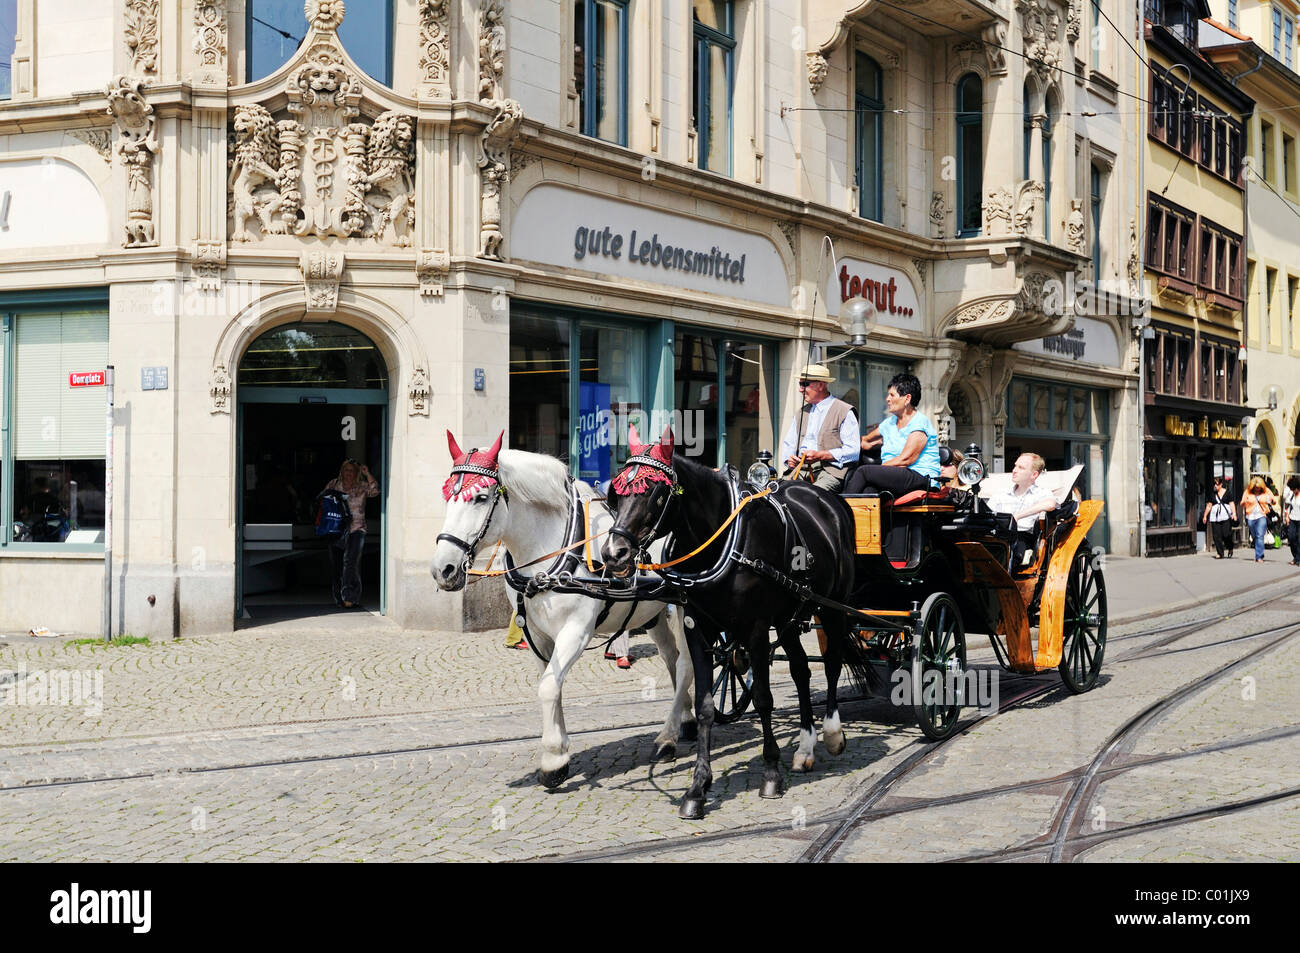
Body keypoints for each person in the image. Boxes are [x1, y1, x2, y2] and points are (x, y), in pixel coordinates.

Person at [843, 373, 940, 496]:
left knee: (864, 472)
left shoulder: (920, 422)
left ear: (907, 399)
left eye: (892, 395)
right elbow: (866, 441)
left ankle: (842, 509)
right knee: (868, 492)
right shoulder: (889, 423)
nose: (887, 399)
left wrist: (879, 468)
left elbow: (906, 459)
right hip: (895, 476)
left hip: (920, 477)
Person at [779, 364, 860, 492]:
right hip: (800, 470)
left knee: (809, 497)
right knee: (775, 495)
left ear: (821, 385)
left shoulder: (844, 411)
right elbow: (789, 444)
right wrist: (789, 459)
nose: (800, 389)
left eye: (804, 384)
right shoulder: (801, 412)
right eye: (800, 384)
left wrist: (822, 455)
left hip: (829, 472)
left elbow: (853, 451)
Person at [320, 459, 379, 608]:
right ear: (342, 471)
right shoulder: (334, 484)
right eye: (346, 470)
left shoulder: (362, 486)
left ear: (356, 473)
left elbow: (375, 491)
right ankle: (338, 597)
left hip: (357, 528)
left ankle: (350, 597)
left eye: (352, 470)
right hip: (336, 528)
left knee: (350, 562)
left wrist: (367, 473)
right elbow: (323, 499)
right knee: (337, 564)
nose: (349, 473)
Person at [987, 452, 1058, 570]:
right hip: (998, 536)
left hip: (1022, 538)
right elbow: (987, 512)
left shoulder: (1041, 493)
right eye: (1015, 466)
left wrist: (1018, 516)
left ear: (1034, 474)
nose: (1014, 470)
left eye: (1021, 468)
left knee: (1007, 554)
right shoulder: (1002, 494)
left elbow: (1050, 504)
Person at [1240, 476, 1278, 563]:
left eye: (1259, 488)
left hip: (1261, 515)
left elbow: (1273, 501)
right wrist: (1245, 502)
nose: (1257, 489)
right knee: (1255, 536)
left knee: (1260, 535)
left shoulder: (1266, 491)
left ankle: (1259, 556)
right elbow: (1242, 503)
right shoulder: (1248, 492)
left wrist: (1271, 501)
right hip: (1250, 516)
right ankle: (1259, 551)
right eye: (1255, 488)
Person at [1202, 476, 1236, 559]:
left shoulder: (1227, 493)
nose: (1215, 486)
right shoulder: (1212, 494)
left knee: (1226, 534)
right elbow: (1209, 505)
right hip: (1215, 517)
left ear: (1221, 484)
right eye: (1214, 485)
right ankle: (1220, 553)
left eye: (1216, 484)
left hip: (1225, 517)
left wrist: (1234, 514)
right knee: (1217, 536)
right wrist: (1205, 516)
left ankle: (1230, 547)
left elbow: (1231, 503)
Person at [1284, 475, 1300, 567]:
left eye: (1294, 489)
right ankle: (1296, 557)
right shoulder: (1291, 496)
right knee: (1292, 538)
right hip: (1293, 519)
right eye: (1292, 489)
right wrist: (1287, 517)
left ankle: (1298, 559)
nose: (1293, 490)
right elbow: (1288, 507)